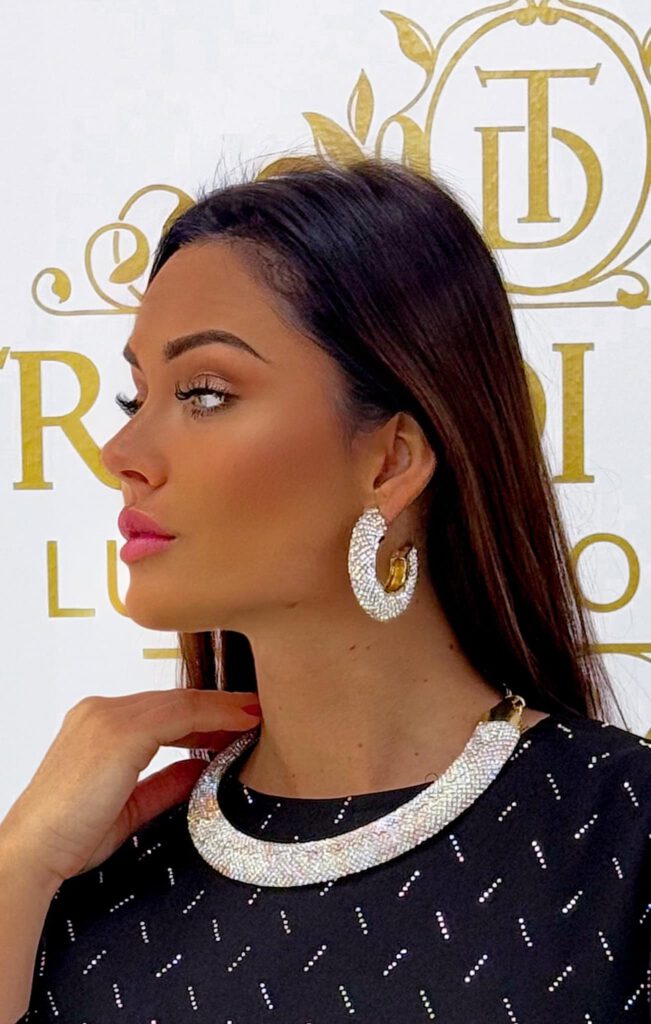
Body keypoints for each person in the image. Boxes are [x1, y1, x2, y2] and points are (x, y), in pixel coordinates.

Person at [1, 155, 649, 1023]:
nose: (121, 454)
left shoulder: (620, 841)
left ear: (390, 461)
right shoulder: (82, 864)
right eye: (135, 397)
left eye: (204, 394)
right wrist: (16, 870)